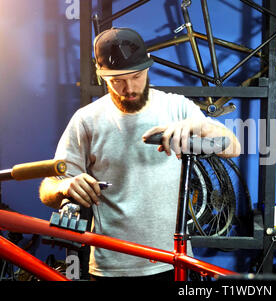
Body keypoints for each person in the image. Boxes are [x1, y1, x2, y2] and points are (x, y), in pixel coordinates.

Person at [39, 27, 240, 280]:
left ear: (147, 68)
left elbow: (233, 147)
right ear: (103, 76)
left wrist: (201, 126)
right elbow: (48, 188)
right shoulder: (86, 120)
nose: (130, 88)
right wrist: (65, 186)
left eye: (136, 76)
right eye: (117, 80)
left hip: (172, 260)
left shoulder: (176, 107)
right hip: (111, 265)